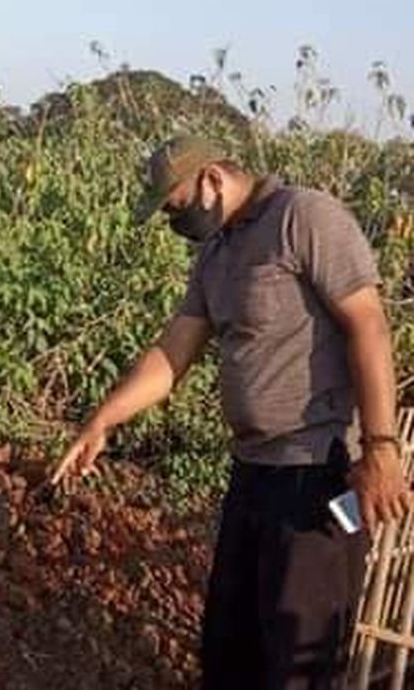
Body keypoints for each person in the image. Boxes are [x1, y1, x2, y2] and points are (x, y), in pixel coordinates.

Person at [51, 135, 411, 688]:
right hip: (253, 475)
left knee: (299, 661)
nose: (176, 221)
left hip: (319, 475)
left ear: (214, 179)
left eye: (176, 205)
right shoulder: (216, 253)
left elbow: (368, 323)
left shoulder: (305, 216)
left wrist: (381, 448)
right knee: (230, 651)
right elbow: (172, 354)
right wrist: (103, 419)